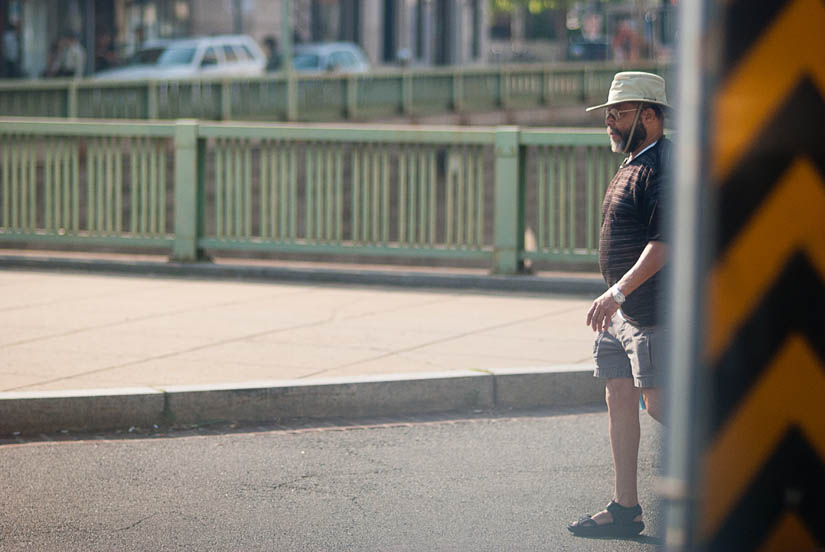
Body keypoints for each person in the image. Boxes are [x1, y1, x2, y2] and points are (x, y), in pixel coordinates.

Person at [567, 71, 672, 538]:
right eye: (608, 113)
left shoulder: (662, 166)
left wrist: (617, 292)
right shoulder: (633, 162)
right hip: (619, 314)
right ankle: (625, 508)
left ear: (649, 115)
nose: (609, 120)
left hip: (650, 309)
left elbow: (664, 243)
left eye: (620, 112)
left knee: (663, 406)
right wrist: (614, 300)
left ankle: (747, 477)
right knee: (620, 399)